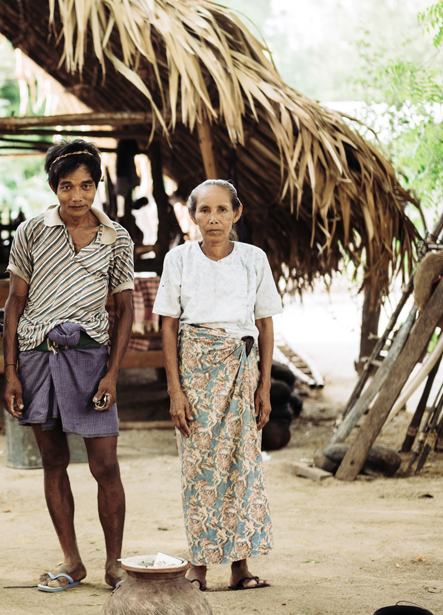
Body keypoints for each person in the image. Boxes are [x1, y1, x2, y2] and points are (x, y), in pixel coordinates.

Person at [2, 139, 134, 592]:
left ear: (97, 186)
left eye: (86, 185)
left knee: (105, 465)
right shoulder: (32, 232)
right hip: (38, 357)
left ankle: (114, 564)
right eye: (66, 186)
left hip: (91, 357)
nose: (77, 197)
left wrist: (113, 373)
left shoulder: (117, 238)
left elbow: (124, 309)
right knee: (53, 460)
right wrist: (12, 371)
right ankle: (72, 561)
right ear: (53, 187)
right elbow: (15, 302)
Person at [153, 179, 281, 592]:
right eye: (204, 211)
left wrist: (264, 387)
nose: (213, 219)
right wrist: (175, 390)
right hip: (196, 371)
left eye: (222, 210)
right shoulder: (179, 260)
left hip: (243, 370)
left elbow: (264, 324)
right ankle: (198, 567)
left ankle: (240, 567)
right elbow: (168, 326)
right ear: (193, 216)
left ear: (236, 213)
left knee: (242, 468)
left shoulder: (253, 259)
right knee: (200, 470)